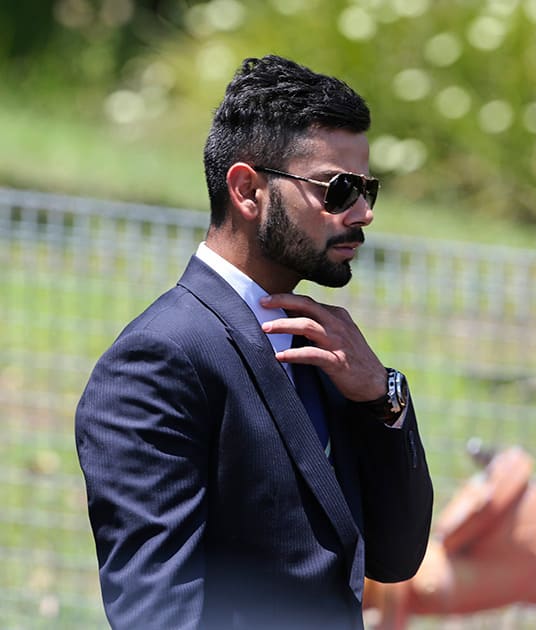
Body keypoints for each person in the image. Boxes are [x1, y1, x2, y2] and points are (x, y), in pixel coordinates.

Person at [76, 55, 433, 630]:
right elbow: (159, 615)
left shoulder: (326, 347)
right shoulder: (158, 360)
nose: (363, 212)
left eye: (368, 188)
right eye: (338, 189)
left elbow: (394, 557)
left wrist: (381, 396)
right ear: (247, 190)